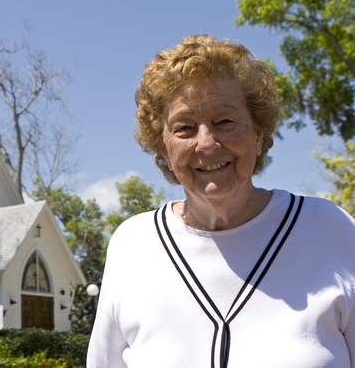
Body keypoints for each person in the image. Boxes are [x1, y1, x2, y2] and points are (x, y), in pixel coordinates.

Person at [87, 35, 355, 368]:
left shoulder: (331, 230)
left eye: (225, 121)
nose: (207, 143)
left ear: (258, 135)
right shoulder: (133, 244)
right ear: (164, 150)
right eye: (184, 128)